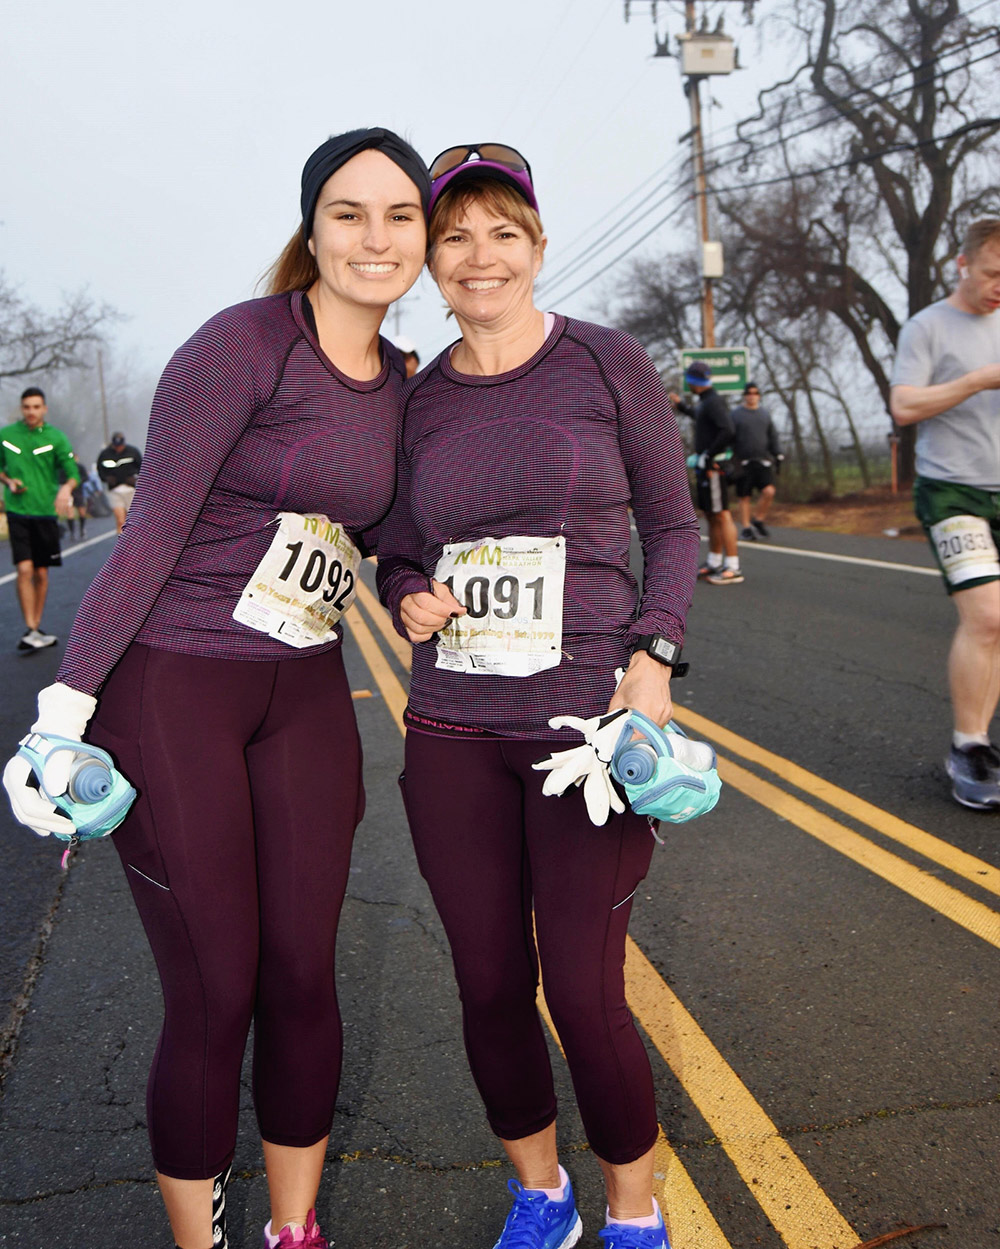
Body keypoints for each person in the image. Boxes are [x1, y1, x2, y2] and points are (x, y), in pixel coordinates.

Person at [3, 128, 430, 1249]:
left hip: (302, 692)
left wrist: (415, 578)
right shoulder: (242, 347)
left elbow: (386, 528)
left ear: (424, 237)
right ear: (311, 227)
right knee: (215, 986)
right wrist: (62, 711)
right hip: (172, 685)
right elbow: (149, 540)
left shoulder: (400, 382)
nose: (374, 236)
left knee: (302, 976)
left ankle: (295, 1231)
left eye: (399, 214)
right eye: (348, 211)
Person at [377, 143, 700, 1249]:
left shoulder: (605, 363)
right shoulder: (417, 404)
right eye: (456, 235)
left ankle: (633, 1209)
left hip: (583, 731)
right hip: (454, 728)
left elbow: (672, 524)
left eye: (502, 233)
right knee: (485, 981)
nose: (480, 257)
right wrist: (409, 589)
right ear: (430, 256)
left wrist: (652, 656)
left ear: (538, 246)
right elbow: (394, 545)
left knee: (584, 988)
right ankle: (540, 1194)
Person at [890, 217, 1000, 810]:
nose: (999, 286)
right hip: (952, 491)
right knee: (987, 617)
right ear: (964, 265)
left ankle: (981, 739)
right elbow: (905, 406)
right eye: (992, 274)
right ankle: (970, 746)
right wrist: (978, 380)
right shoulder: (928, 326)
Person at [0, 387, 78, 649]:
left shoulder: (56, 438)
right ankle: (31, 629)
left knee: (41, 573)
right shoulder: (7, 435)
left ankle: (36, 626)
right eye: (26, 407)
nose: (31, 411)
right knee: (24, 568)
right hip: (18, 509)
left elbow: (72, 472)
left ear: (44, 409)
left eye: (36, 407)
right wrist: (9, 481)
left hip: (45, 511)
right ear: (22, 409)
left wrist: (65, 490)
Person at [668, 364, 741, 584]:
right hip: (704, 465)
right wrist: (682, 407)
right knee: (711, 513)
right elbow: (701, 418)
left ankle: (733, 567)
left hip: (713, 467)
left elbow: (728, 429)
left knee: (722, 514)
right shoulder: (705, 402)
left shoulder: (714, 401)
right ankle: (714, 561)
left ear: (693, 381)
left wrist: (709, 456)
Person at [730, 381, 783, 540]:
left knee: (769, 491)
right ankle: (746, 527)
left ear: (758, 396)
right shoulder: (735, 414)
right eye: (749, 393)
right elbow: (728, 435)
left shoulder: (764, 414)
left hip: (762, 460)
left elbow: (772, 436)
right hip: (742, 461)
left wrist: (778, 454)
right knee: (744, 496)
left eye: (755, 393)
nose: (752, 396)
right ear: (745, 396)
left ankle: (758, 520)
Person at [96, 430, 143, 532]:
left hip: (130, 489)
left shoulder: (133, 452)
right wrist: (106, 478)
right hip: (114, 490)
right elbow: (100, 470)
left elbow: (142, 467)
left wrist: (136, 478)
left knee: (132, 520)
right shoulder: (105, 454)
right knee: (120, 519)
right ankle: (121, 543)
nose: (119, 448)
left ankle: (132, 541)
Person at [66, 457, 90, 541]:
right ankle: (72, 532)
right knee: (70, 513)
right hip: (69, 493)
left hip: (79, 492)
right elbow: (60, 479)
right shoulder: (64, 468)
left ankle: (82, 529)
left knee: (82, 512)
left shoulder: (80, 467)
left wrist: (78, 481)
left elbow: (86, 477)